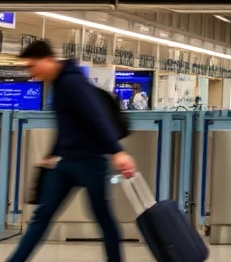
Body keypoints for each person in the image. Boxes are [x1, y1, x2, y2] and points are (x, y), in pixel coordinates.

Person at [9, 40, 137, 262]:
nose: (31, 73)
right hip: (66, 163)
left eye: (32, 66)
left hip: (91, 163)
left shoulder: (73, 83)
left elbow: (96, 117)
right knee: (42, 216)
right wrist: (52, 153)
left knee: (103, 219)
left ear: (48, 60)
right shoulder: (58, 84)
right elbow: (67, 126)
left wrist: (117, 152)